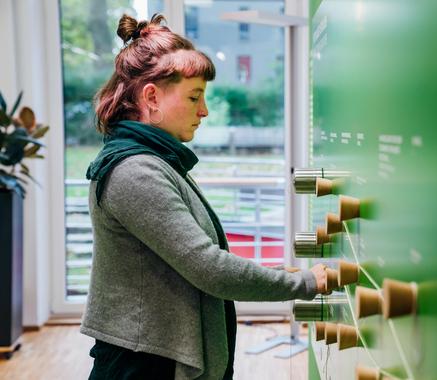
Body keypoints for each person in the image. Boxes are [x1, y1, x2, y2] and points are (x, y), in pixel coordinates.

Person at [80, 13, 328, 380]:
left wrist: (275, 273)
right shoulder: (135, 172)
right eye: (194, 97)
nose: (204, 111)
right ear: (151, 97)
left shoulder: (154, 162)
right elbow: (209, 267)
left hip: (154, 355)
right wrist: (305, 283)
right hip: (145, 365)